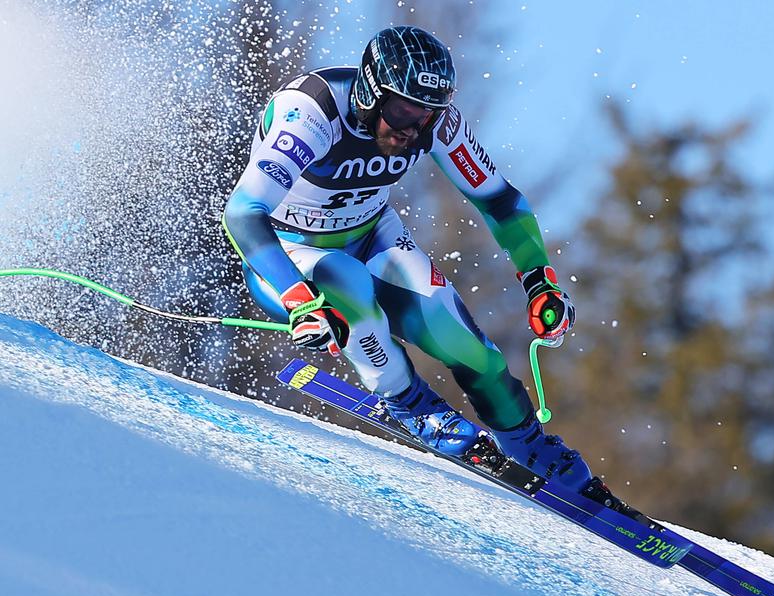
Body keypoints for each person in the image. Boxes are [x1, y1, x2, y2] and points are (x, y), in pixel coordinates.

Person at [223, 25, 604, 497]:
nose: (413, 128)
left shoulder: (434, 123)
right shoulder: (310, 113)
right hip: (287, 255)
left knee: (466, 347)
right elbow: (242, 213)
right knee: (344, 280)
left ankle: (530, 445)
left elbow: (501, 200)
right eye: (403, 109)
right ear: (369, 91)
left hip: (373, 235)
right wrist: (300, 298)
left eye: (427, 113)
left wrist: (538, 279)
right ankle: (408, 402)